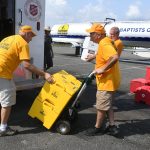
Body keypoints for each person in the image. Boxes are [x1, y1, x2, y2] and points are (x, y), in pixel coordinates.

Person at [0, 25, 54, 137]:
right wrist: (45, 74)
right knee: (7, 101)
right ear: (27, 33)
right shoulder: (23, 43)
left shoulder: (8, 39)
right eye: (31, 36)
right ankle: (3, 128)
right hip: (3, 74)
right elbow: (27, 65)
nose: (31, 39)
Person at [85, 23, 121, 136]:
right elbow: (105, 53)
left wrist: (102, 69)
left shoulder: (104, 42)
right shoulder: (106, 41)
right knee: (108, 104)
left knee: (101, 107)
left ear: (97, 35)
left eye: (91, 34)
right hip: (112, 79)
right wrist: (93, 56)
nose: (90, 36)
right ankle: (111, 125)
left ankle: (97, 128)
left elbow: (114, 57)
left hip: (107, 81)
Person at [105, 26, 124, 135]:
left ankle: (111, 124)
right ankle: (110, 123)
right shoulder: (113, 42)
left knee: (109, 102)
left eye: (112, 34)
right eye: (109, 34)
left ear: (117, 34)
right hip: (110, 75)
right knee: (108, 102)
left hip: (112, 76)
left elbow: (111, 57)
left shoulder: (118, 43)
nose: (110, 36)